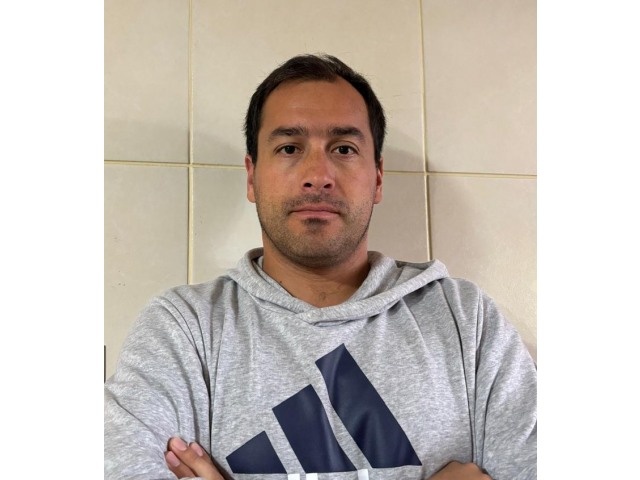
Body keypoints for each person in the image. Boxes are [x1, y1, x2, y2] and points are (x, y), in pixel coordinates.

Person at [104, 54, 536, 480]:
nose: (318, 175)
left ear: (378, 177)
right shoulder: (183, 329)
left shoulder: (465, 319)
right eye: (289, 148)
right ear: (252, 177)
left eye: (344, 149)